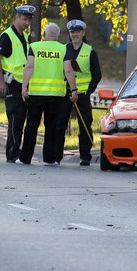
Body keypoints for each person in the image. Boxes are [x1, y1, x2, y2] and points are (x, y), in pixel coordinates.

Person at [18, 23, 78, 165]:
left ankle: (25, 158)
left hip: (36, 94)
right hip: (56, 95)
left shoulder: (35, 47)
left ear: (44, 34)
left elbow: (29, 67)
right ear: (57, 35)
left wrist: (24, 86)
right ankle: (49, 159)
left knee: (31, 126)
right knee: (51, 127)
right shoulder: (63, 49)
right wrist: (74, 90)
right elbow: (68, 71)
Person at [0, 5, 34, 162]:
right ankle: (13, 153)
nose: (27, 22)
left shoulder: (23, 36)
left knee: (20, 119)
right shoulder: (7, 35)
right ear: (17, 17)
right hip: (12, 83)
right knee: (16, 119)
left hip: (22, 83)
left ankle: (14, 151)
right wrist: (1, 81)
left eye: (29, 20)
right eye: (24, 19)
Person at [59, 20, 102, 166]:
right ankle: (57, 155)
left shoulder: (90, 51)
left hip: (82, 94)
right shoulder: (63, 49)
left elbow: (97, 75)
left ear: (83, 33)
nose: (75, 35)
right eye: (72, 32)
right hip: (65, 93)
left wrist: (88, 91)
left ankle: (85, 156)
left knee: (85, 125)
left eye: (77, 32)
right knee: (60, 124)